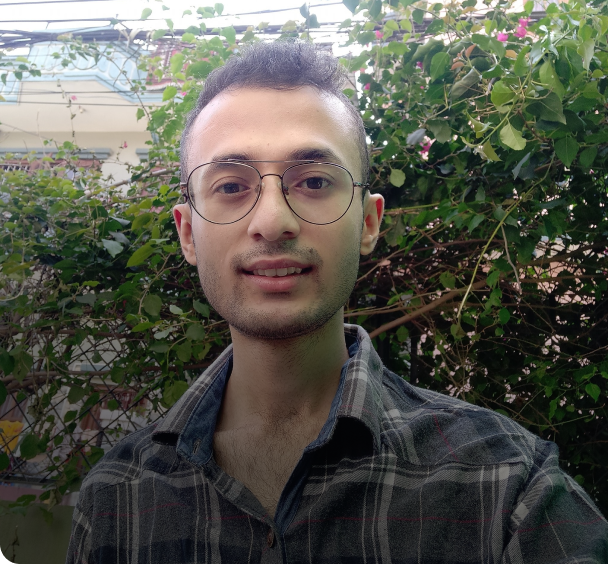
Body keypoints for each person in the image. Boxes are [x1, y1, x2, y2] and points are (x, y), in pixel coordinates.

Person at [66, 41, 607, 563]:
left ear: (368, 222)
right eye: (230, 187)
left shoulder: (511, 489)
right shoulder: (116, 499)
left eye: (314, 181)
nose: (273, 221)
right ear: (188, 233)